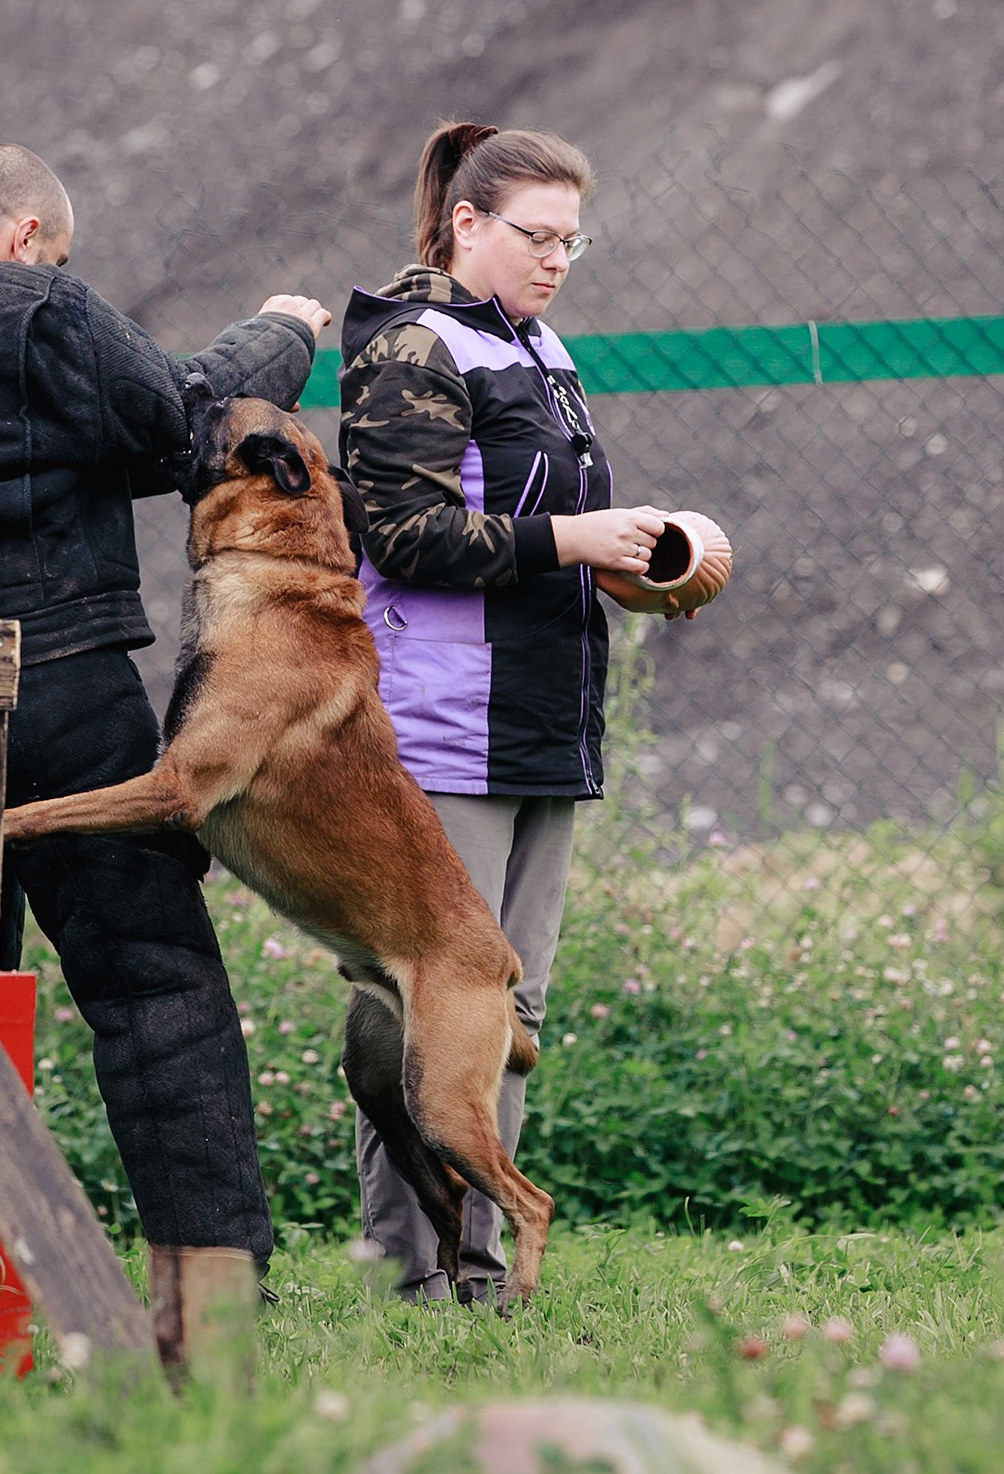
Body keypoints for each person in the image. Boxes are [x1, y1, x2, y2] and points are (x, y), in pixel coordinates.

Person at [0, 142, 330, 1295]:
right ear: (29, 235)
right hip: (55, 688)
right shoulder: (35, 304)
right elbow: (184, 422)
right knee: (151, 983)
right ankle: (211, 1282)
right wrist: (281, 333)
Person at [336, 122, 666, 1303]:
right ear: (465, 222)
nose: (557, 260)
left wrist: (626, 565)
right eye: (537, 236)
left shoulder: (538, 344)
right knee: (425, 1003)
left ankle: (483, 1276)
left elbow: (539, 524)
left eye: (573, 241)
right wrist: (566, 539)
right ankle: (405, 1276)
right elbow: (405, 535)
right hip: (439, 731)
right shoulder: (409, 346)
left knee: (511, 1010)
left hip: (544, 722)